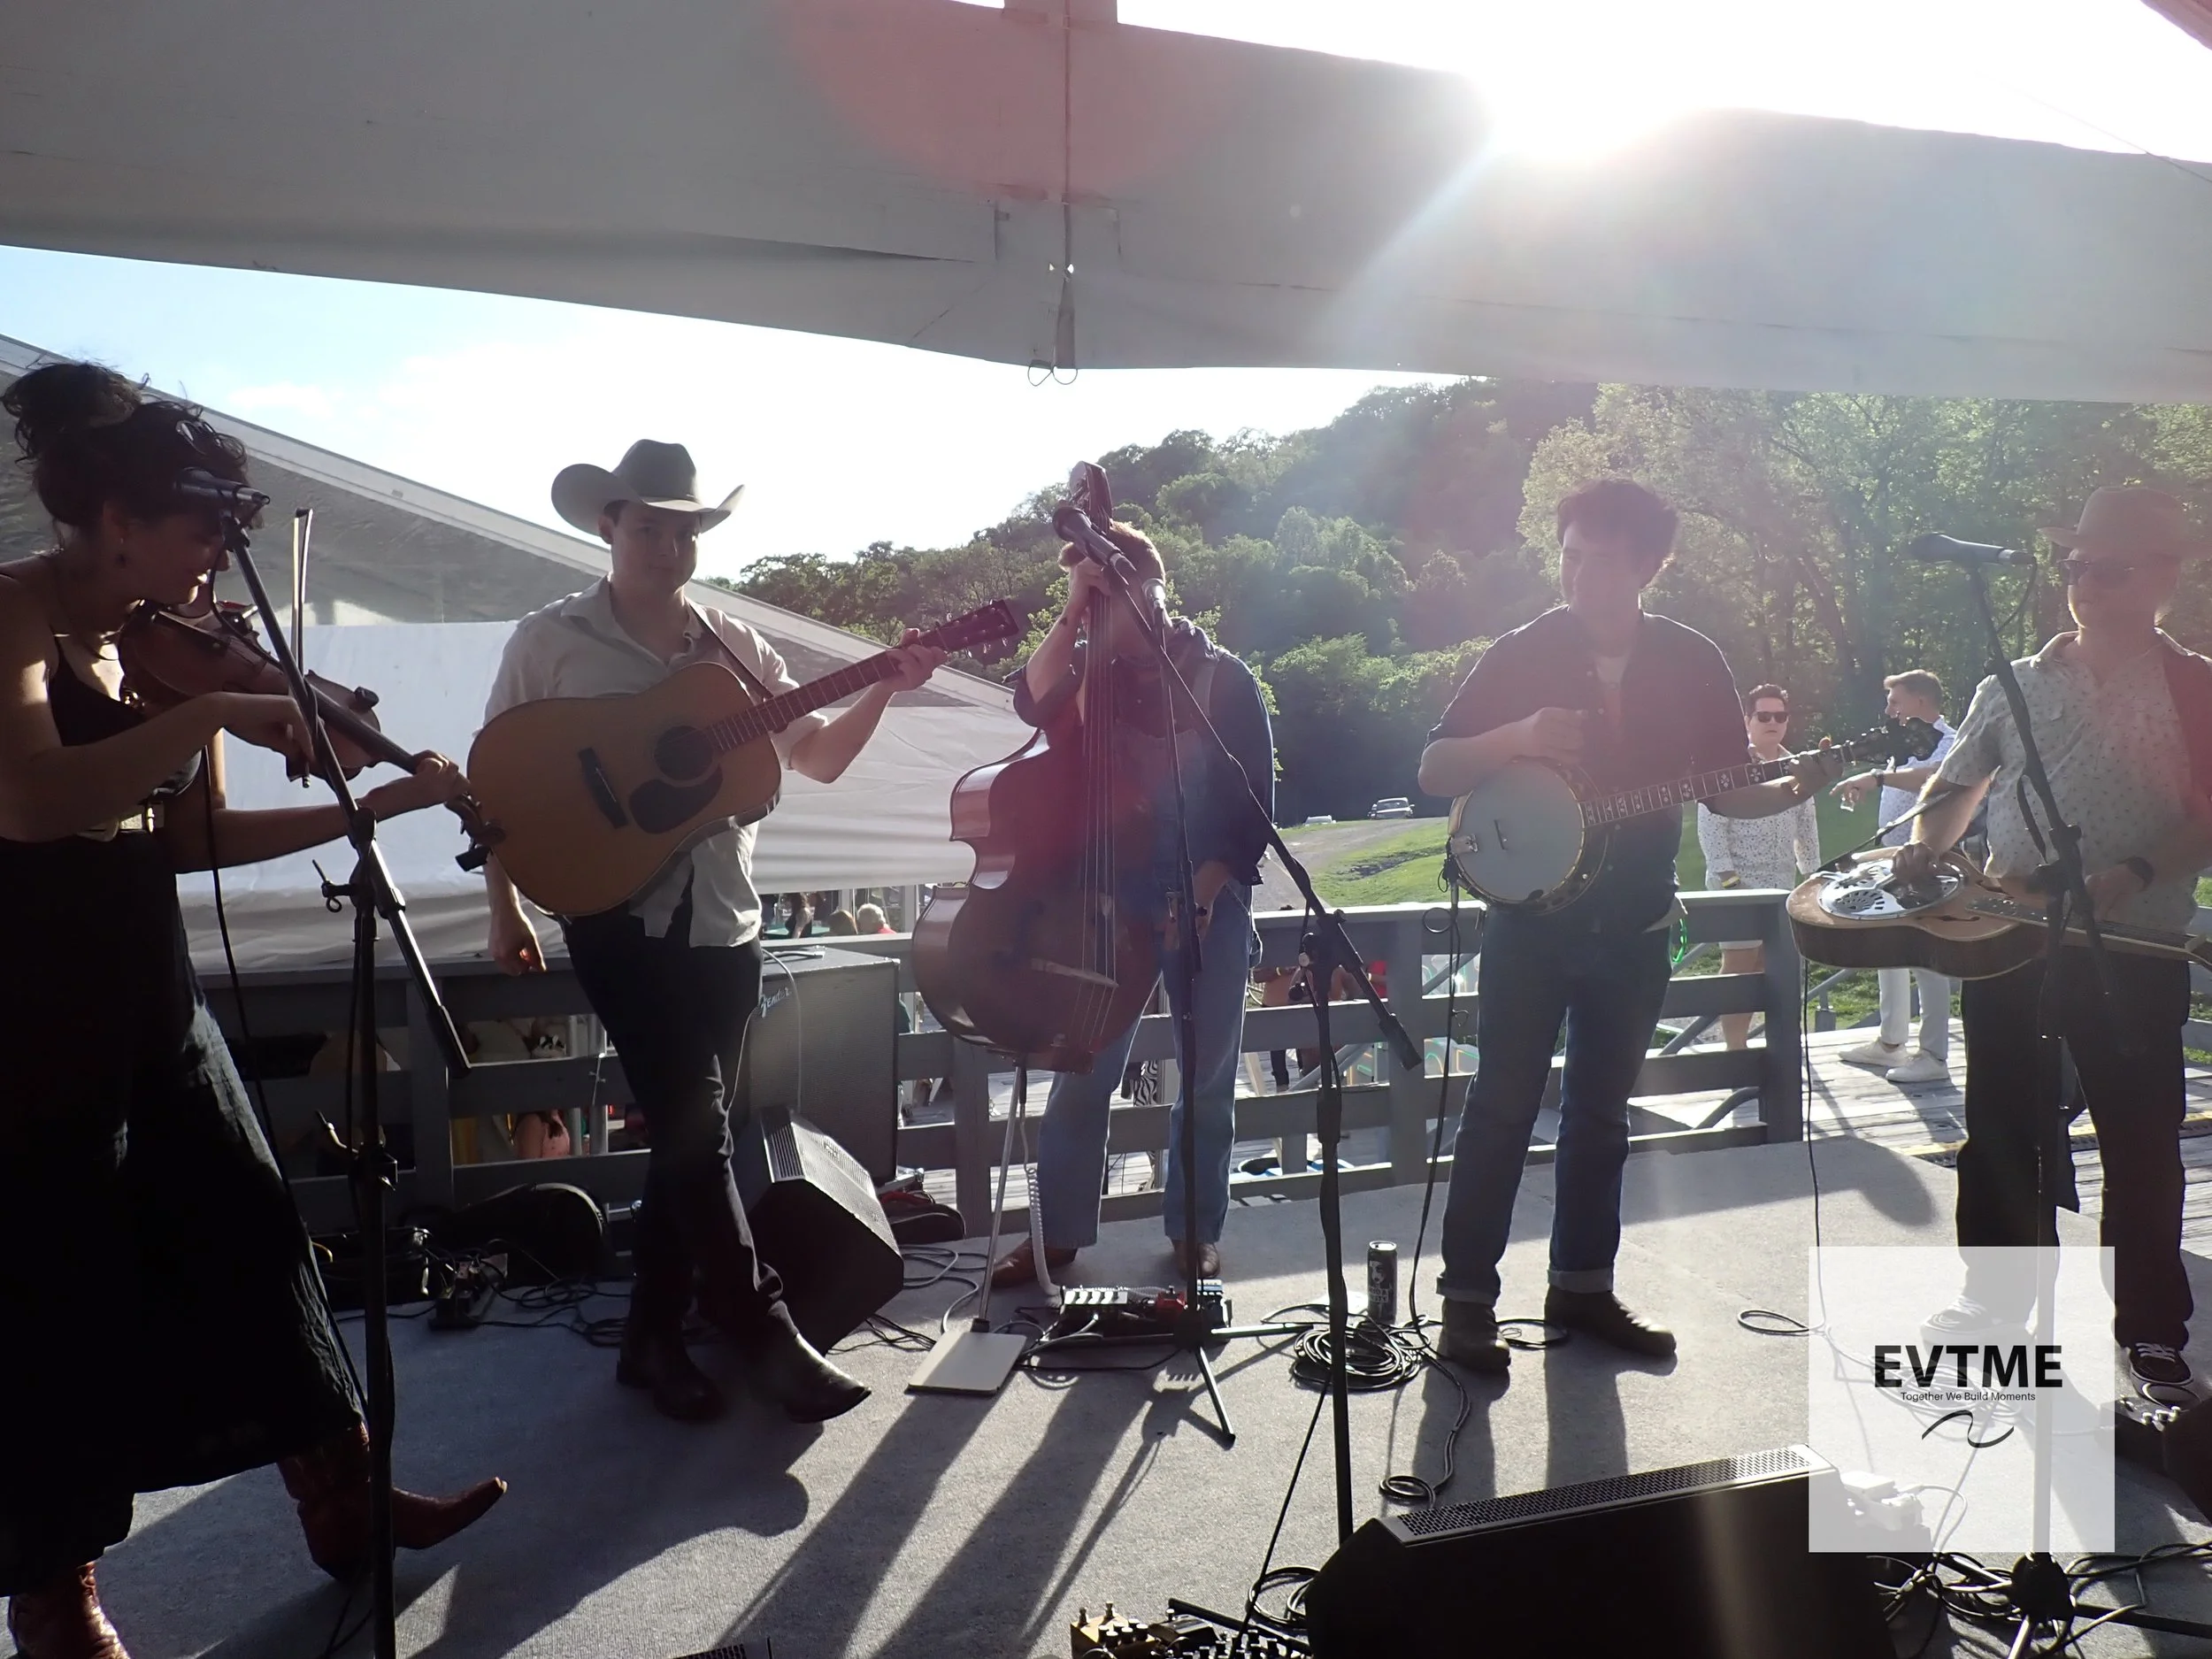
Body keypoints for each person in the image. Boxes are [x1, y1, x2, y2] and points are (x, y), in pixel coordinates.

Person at [0, 363, 504, 1659]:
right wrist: (219, 705)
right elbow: (39, 802)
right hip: (30, 1014)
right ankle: (57, 1598)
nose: (225, 546)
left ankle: (343, 1502)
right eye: (201, 519)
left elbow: (196, 832)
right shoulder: (11, 612)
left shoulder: (167, 641)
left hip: (151, 995)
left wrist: (368, 804)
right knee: (59, 1296)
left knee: (254, 1234)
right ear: (114, 515)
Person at [480, 440, 945, 1425]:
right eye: (648, 525)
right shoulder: (550, 638)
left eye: (684, 527)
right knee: (695, 1124)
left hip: (724, 920)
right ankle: (755, 1322)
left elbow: (813, 759)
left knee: (697, 1137)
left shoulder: (737, 650)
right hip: (615, 915)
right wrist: (504, 905)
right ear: (608, 526)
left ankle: (650, 1341)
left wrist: (883, 685)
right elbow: (498, 783)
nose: (667, 544)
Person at [1416, 480, 1842, 1375]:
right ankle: (1465, 1307)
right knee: (1498, 1110)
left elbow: (1725, 786)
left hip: (1640, 922)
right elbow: (1434, 766)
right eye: (1567, 555)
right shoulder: (1523, 650)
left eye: (1598, 561)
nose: (1576, 575)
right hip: (1530, 927)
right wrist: (1520, 733)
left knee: (1601, 1117)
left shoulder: (1692, 659)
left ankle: (1582, 1285)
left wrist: (1797, 784)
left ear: (1650, 566)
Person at [1892, 486, 2212, 1391]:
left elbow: (2208, 813)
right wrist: (1923, 847)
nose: (2085, 585)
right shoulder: (2015, 681)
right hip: (2012, 939)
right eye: (2074, 567)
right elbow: (1955, 790)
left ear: (2161, 577)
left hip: (2133, 949)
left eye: (2108, 569)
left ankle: (2150, 1328)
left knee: (2139, 1138)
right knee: (2000, 1126)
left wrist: (2135, 876)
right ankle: (1996, 1314)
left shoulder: (2197, 685)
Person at [988, 521, 1274, 1287]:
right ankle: (1055, 1238)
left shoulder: (1223, 678)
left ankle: (1194, 1233)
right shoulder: (1091, 673)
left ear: (1156, 585)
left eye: (1125, 591)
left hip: (1209, 893)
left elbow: (1253, 813)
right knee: (1081, 1071)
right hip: (1108, 908)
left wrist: (1206, 893)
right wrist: (1072, 609)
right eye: (1101, 601)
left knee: (1207, 1077)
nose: (1121, 613)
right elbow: (1030, 699)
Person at [1833, 670, 1960, 1083]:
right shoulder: (1905, 742)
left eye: (1896, 702)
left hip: (1931, 864)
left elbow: (1934, 778)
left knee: (1928, 957)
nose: (1889, 710)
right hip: (1894, 861)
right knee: (1889, 943)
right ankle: (1890, 1043)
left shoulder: (1949, 740)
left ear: (1921, 702)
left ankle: (1934, 1056)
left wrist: (1875, 778)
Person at [1695, 684, 1820, 1048]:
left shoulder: (1798, 765)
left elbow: (1807, 827)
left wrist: (1812, 875)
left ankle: (1781, 1049)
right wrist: (1730, 880)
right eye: (1763, 716)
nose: (1772, 723)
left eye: (1779, 716)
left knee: (1776, 968)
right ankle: (1736, 1050)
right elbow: (1711, 828)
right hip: (1737, 884)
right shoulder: (1729, 767)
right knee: (1739, 965)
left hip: (1781, 884)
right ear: (1747, 721)